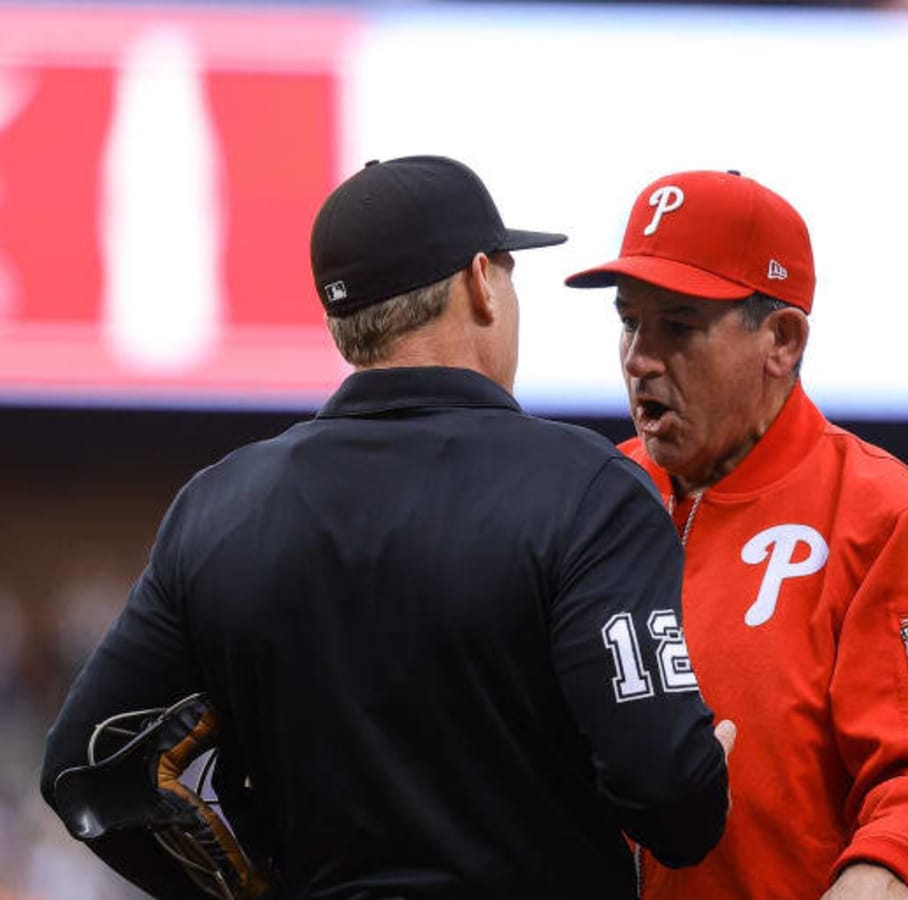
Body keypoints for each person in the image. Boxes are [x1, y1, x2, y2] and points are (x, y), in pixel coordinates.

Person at [39, 155, 731, 898]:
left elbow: (83, 771)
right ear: (478, 284)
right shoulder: (587, 490)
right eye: (507, 270)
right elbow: (672, 806)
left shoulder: (220, 507)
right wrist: (701, 770)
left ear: (344, 322)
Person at [564, 169, 908, 900]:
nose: (639, 357)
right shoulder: (584, 503)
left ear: (782, 338)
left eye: (678, 325)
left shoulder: (893, 522)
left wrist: (882, 876)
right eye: (628, 321)